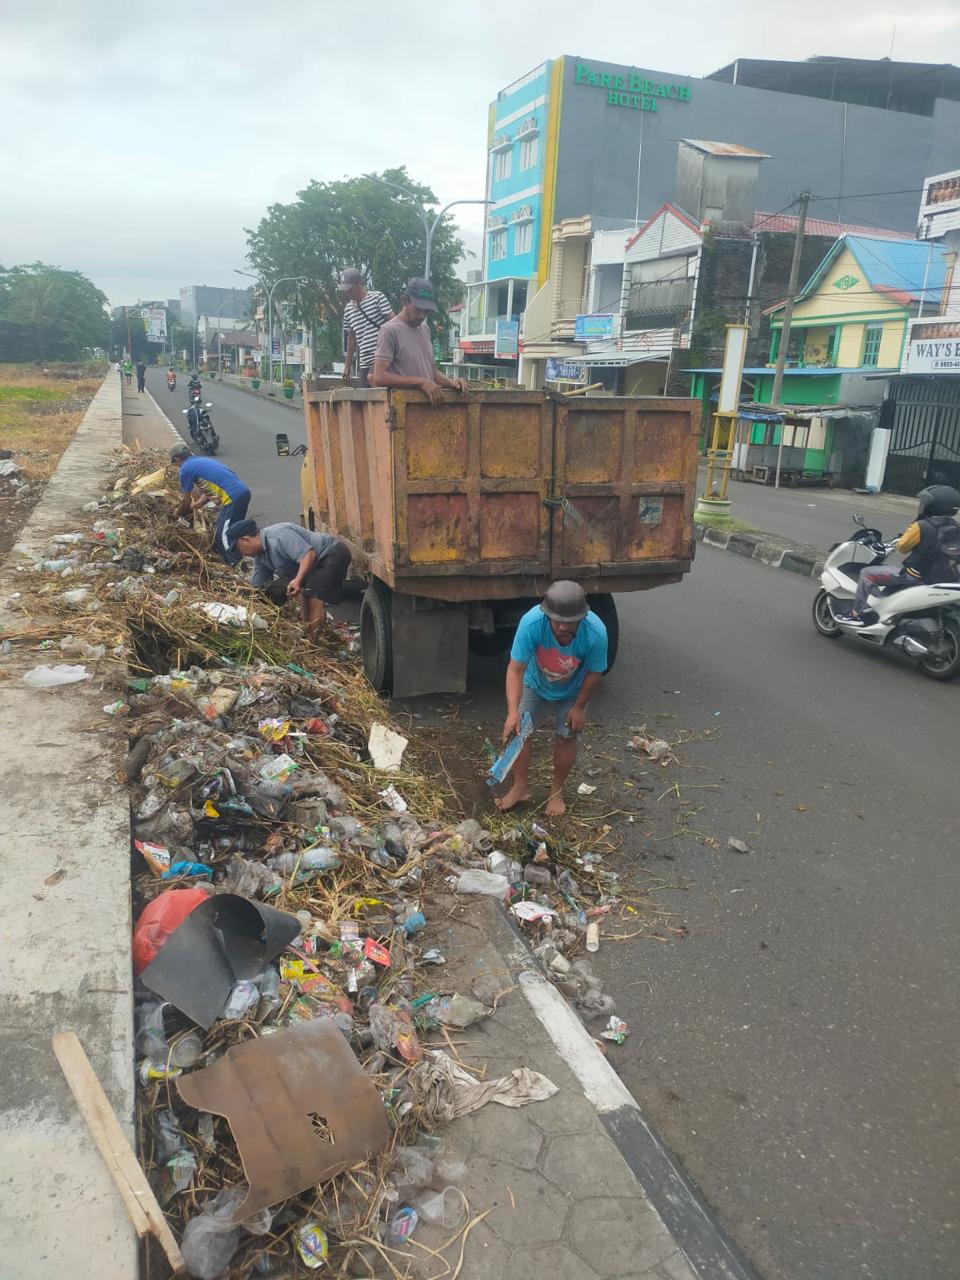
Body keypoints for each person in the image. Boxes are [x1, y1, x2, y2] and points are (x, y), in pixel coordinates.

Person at [496, 581, 608, 819]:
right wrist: (512, 712)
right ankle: (520, 787)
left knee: (566, 737)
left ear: (582, 617)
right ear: (546, 613)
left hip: (574, 690)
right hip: (535, 682)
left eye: (568, 621)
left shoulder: (596, 633)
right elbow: (515, 669)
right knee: (519, 732)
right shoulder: (532, 623)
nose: (560, 626)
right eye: (555, 619)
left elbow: (595, 673)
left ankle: (556, 793)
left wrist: (579, 707)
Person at [838, 484, 960, 625]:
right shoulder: (956, 527)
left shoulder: (921, 526)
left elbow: (902, 547)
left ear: (934, 505)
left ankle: (856, 614)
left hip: (915, 575)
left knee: (867, 573)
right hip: (945, 576)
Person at [225, 519, 351, 639]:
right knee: (304, 604)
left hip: (329, 554)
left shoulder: (278, 536)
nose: (240, 553)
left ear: (245, 539)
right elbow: (257, 587)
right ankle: (309, 636)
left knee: (314, 600)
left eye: (237, 548)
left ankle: (315, 645)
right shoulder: (261, 558)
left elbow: (309, 554)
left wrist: (297, 580)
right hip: (312, 567)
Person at [371, 278, 467, 403]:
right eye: (418, 309)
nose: (422, 315)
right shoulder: (389, 331)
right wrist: (420, 382)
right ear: (404, 301)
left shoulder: (425, 329)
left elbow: (431, 372)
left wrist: (453, 383)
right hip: (402, 410)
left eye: (426, 311)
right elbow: (379, 376)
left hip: (426, 412)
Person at [169, 444, 251, 564]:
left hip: (231, 497)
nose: (176, 466)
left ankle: (235, 564)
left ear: (176, 459)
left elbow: (186, 501)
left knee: (223, 535)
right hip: (243, 492)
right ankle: (245, 557)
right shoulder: (202, 461)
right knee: (235, 531)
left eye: (175, 463)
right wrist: (195, 506)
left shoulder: (185, 469)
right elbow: (209, 493)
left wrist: (177, 515)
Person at [339, 267, 394, 388]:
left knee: (381, 396)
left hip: (381, 360)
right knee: (366, 401)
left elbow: (394, 325)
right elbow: (351, 339)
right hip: (364, 362)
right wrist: (347, 366)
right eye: (346, 290)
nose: (347, 293)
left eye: (350, 289)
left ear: (359, 284)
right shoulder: (348, 310)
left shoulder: (377, 298)